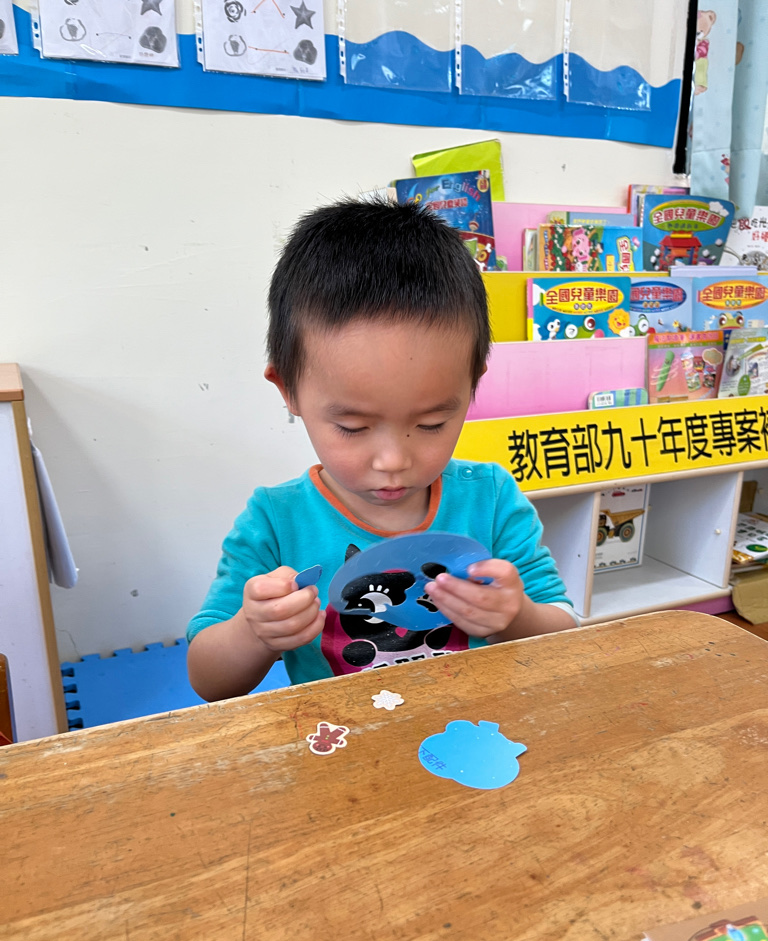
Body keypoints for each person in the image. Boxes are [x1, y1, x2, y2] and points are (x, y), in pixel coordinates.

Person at [187, 199, 576, 701]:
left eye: (432, 423)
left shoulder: (492, 499)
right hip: (342, 736)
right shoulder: (276, 522)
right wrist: (253, 631)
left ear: (472, 385)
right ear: (288, 390)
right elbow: (209, 681)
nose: (393, 461)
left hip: (474, 727)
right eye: (352, 427)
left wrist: (516, 616)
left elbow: (564, 634)